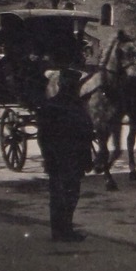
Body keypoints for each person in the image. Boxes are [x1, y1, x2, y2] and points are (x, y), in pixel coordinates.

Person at [34, 65, 93, 242]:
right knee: (65, 194)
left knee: (65, 194)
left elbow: (86, 134)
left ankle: (62, 229)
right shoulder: (67, 106)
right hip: (64, 157)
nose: (72, 88)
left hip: (67, 158)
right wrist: (49, 157)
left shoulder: (60, 105)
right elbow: (44, 136)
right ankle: (62, 230)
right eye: (71, 84)